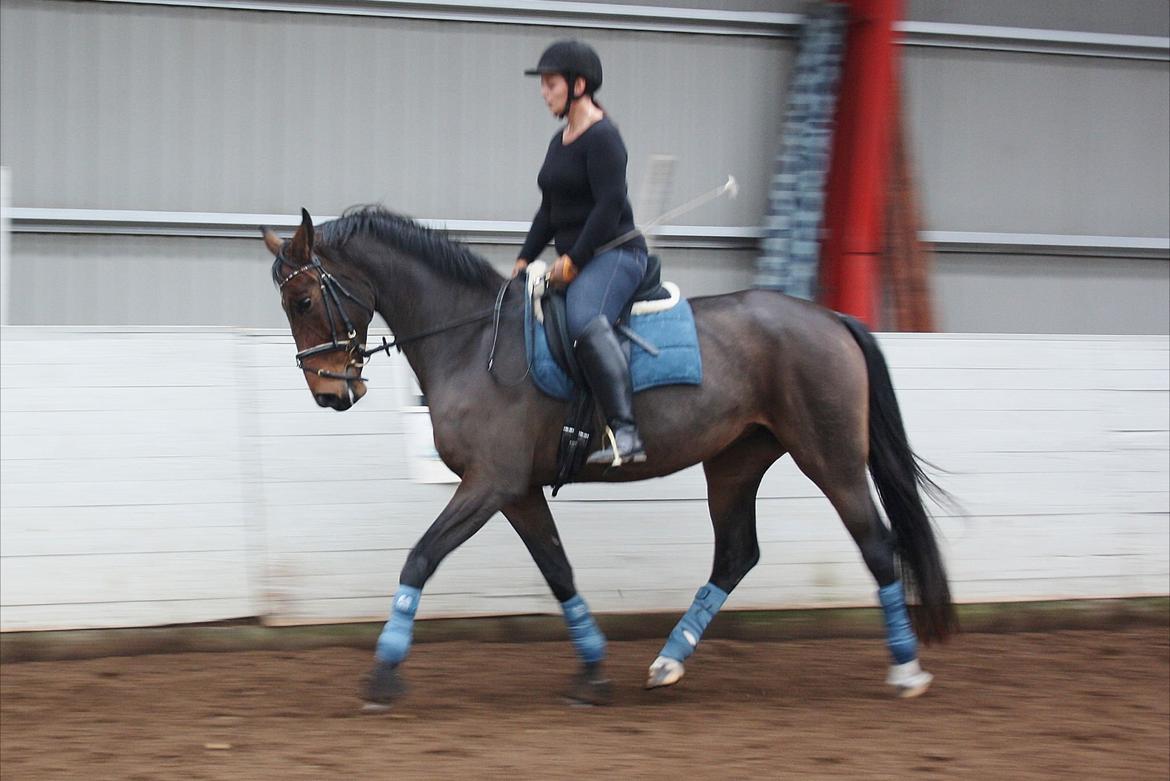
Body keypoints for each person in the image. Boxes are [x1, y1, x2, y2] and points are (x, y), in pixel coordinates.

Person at [513, 39, 649, 467]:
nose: (543, 91)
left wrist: (574, 260)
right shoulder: (560, 141)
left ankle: (626, 430)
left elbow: (609, 207)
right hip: (579, 257)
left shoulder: (604, 138)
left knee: (583, 318)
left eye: (550, 83)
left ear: (578, 85)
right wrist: (523, 258)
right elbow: (549, 211)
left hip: (616, 255)